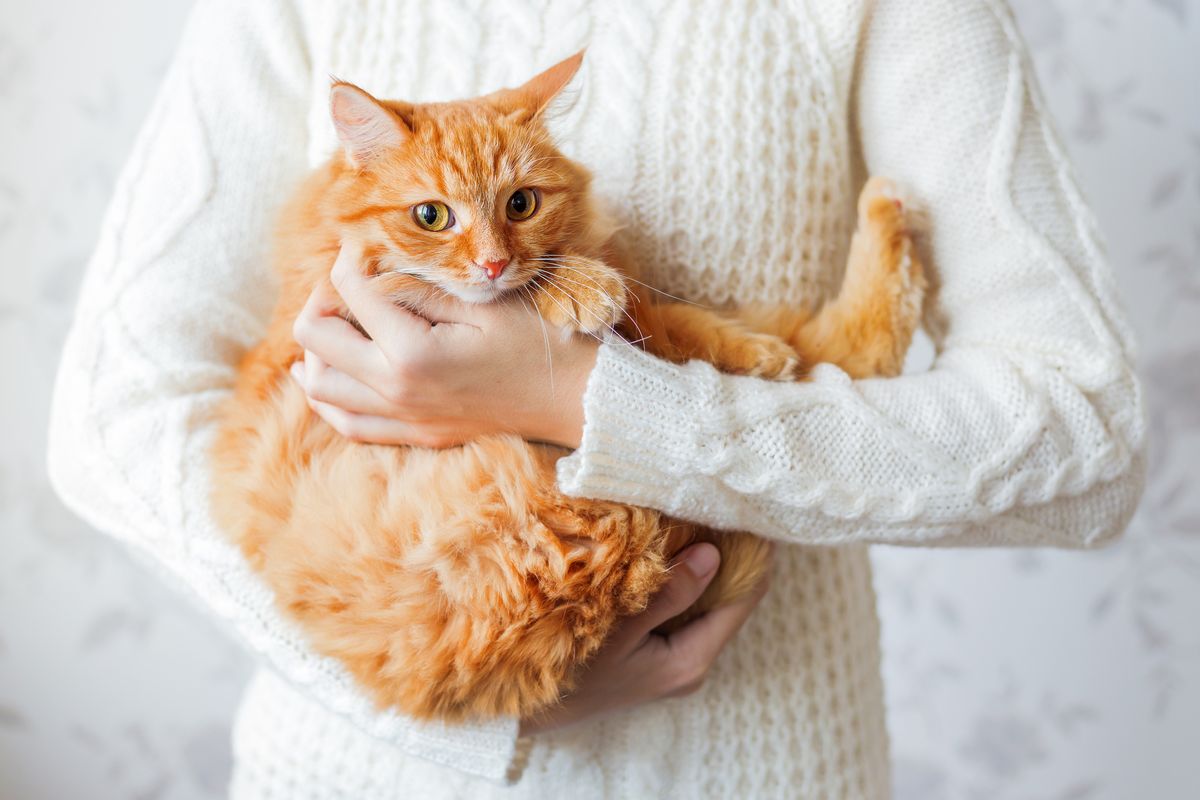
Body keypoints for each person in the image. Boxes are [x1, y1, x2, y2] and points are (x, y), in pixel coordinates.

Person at [47, 1, 1146, 798]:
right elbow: (113, 415)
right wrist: (460, 707)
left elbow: (1083, 433)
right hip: (350, 765)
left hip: (760, 768)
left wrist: (592, 401)